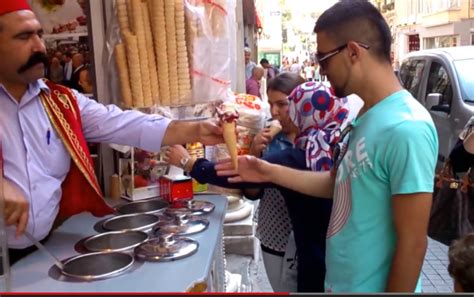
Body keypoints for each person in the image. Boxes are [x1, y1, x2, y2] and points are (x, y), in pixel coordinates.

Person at [215, 1, 438, 293]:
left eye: (324, 58)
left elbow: (413, 244)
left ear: (354, 52)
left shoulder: (407, 127)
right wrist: (266, 171)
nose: (320, 68)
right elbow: (339, 182)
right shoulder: (367, 115)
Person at [0, 0, 223, 265]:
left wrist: (195, 129)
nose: (39, 47)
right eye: (24, 37)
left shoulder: (60, 102)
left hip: (42, 251)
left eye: (39, 34)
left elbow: (123, 124)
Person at [165, 82, 352, 292]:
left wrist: (189, 163)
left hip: (312, 255)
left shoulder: (300, 156)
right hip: (343, 256)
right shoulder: (342, 145)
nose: (278, 113)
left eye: (287, 106)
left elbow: (240, 174)